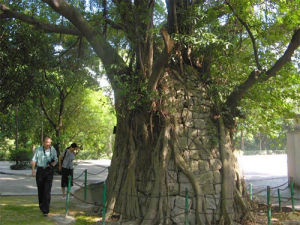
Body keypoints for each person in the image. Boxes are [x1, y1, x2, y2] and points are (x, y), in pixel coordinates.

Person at [32, 136, 57, 216]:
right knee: (41, 190)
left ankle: (46, 210)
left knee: (47, 191)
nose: (48, 144)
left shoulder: (52, 150)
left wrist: (52, 164)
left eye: (49, 142)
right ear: (43, 142)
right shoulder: (39, 149)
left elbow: (56, 159)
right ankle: (42, 205)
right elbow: (34, 160)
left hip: (49, 171)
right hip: (40, 171)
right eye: (46, 142)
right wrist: (33, 170)